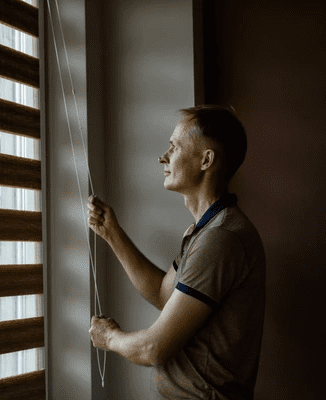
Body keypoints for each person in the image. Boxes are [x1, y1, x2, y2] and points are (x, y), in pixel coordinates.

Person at [88, 105, 266, 399]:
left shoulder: (221, 239)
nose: (163, 157)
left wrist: (110, 338)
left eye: (174, 147)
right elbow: (163, 293)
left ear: (206, 160)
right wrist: (111, 233)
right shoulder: (203, 232)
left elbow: (154, 349)